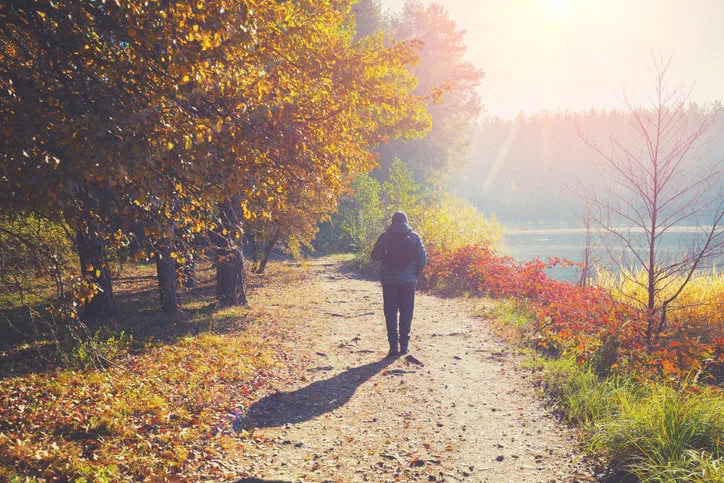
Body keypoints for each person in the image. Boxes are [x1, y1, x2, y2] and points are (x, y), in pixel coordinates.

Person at [371, 211, 427, 357]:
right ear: (406, 222)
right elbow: (423, 259)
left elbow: (374, 256)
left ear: (392, 222)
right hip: (408, 281)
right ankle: (404, 346)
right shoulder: (414, 237)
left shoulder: (385, 237)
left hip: (389, 281)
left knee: (390, 313)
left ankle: (393, 347)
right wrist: (416, 274)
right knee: (406, 313)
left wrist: (385, 253)